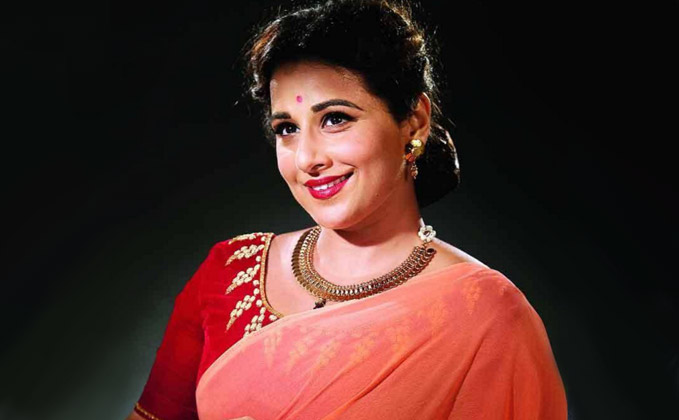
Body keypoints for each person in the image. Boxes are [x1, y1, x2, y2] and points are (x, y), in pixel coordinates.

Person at [127, 0, 568, 418]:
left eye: (335, 119)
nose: (307, 158)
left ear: (414, 121)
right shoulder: (228, 275)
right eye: (287, 128)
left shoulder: (486, 317)